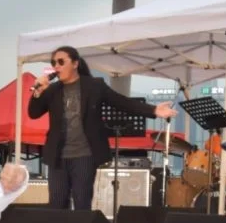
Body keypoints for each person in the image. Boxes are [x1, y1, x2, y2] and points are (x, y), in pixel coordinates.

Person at [28, 46, 177, 210]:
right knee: (56, 203)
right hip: (57, 156)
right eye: (54, 63)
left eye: (61, 62)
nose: (56, 66)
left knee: (82, 202)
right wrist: (38, 93)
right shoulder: (52, 90)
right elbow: (34, 113)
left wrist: (154, 110)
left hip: (84, 155)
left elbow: (122, 102)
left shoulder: (94, 86)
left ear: (75, 63)